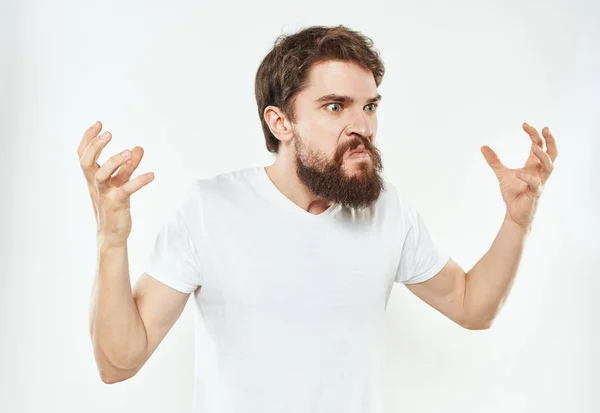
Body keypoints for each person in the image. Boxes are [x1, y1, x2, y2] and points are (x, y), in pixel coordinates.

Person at [80, 25, 558, 413]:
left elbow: (472, 307)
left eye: (369, 106)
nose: (363, 127)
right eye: (336, 106)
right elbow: (118, 363)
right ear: (280, 123)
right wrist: (111, 240)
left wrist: (518, 220)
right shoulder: (209, 209)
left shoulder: (386, 210)